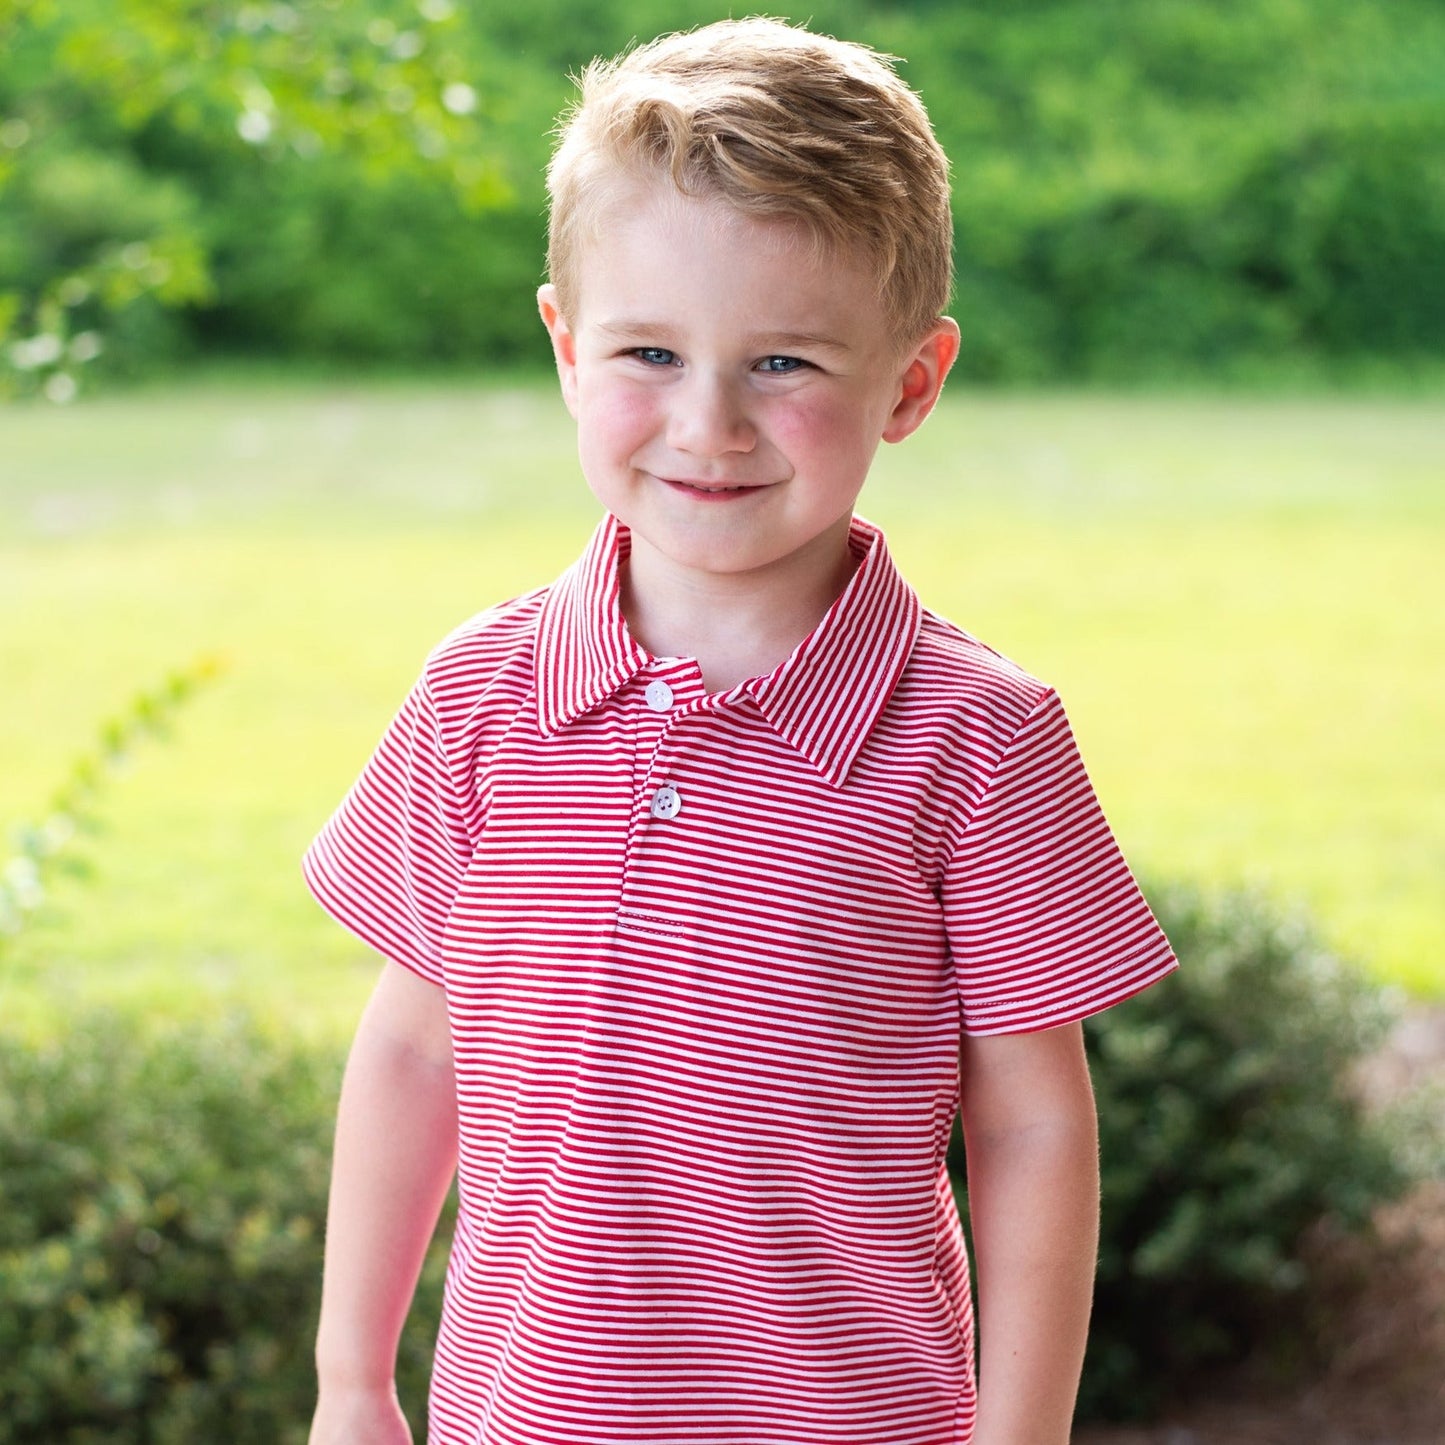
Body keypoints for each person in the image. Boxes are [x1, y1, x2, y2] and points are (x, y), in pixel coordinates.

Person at [303, 18, 1179, 1445]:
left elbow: (1032, 1124)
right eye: (650, 352)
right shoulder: (477, 696)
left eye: (782, 363)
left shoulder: (977, 736)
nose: (707, 424)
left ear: (910, 382)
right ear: (566, 347)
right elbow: (413, 1048)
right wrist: (350, 1383)